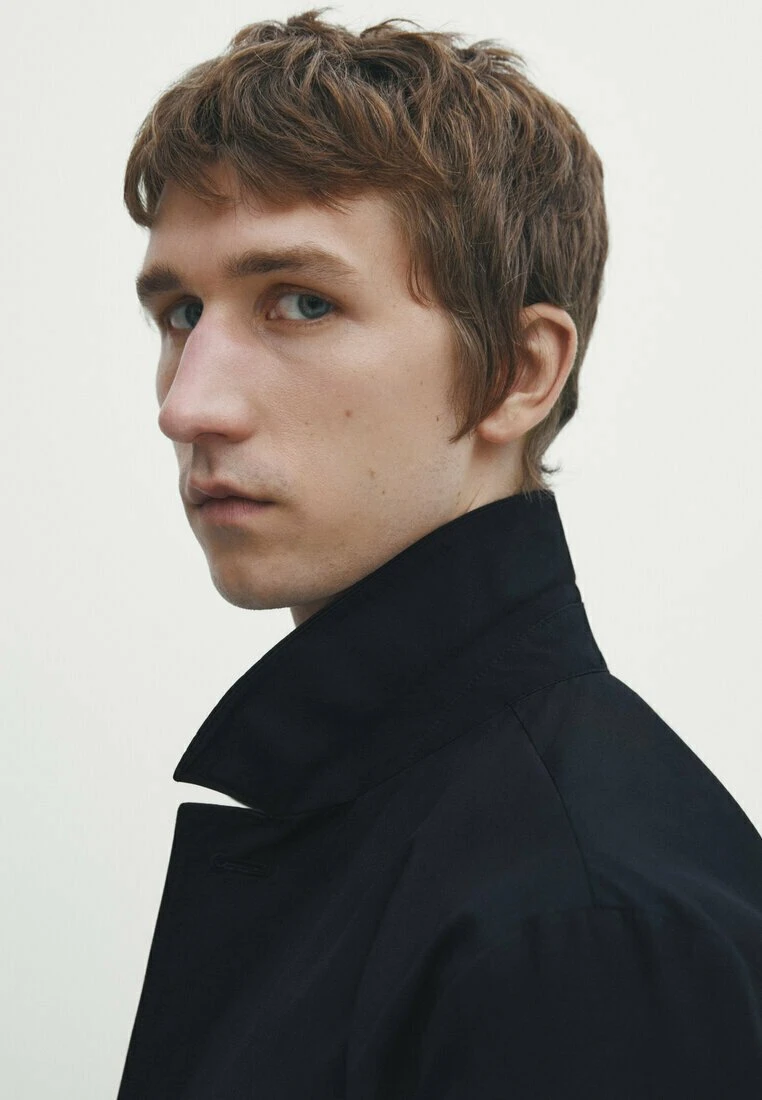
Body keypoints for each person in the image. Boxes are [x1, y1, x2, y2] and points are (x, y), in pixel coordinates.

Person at [116, 9, 762, 1098]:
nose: (187, 406)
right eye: (181, 312)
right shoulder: (414, 831)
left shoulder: (580, 926)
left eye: (301, 303)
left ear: (519, 369)